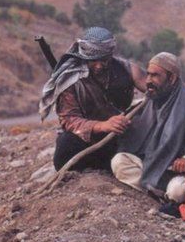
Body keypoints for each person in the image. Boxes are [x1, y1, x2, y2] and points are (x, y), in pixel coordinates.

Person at [39, 27, 149, 171]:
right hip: (89, 140)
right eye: (92, 61)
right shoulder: (71, 79)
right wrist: (103, 125)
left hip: (121, 135)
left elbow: (154, 89)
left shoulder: (127, 69)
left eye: (103, 60)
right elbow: (69, 120)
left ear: (110, 55)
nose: (98, 66)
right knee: (65, 147)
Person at [111, 52, 185, 202]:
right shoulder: (148, 103)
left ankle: (163, 197)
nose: (148, 81)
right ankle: (154, 197)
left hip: (178, 173)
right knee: (119, 161)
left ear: (172, 78)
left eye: (155, 76)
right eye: (148, 74)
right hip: (151, 166)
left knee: (177, 191)